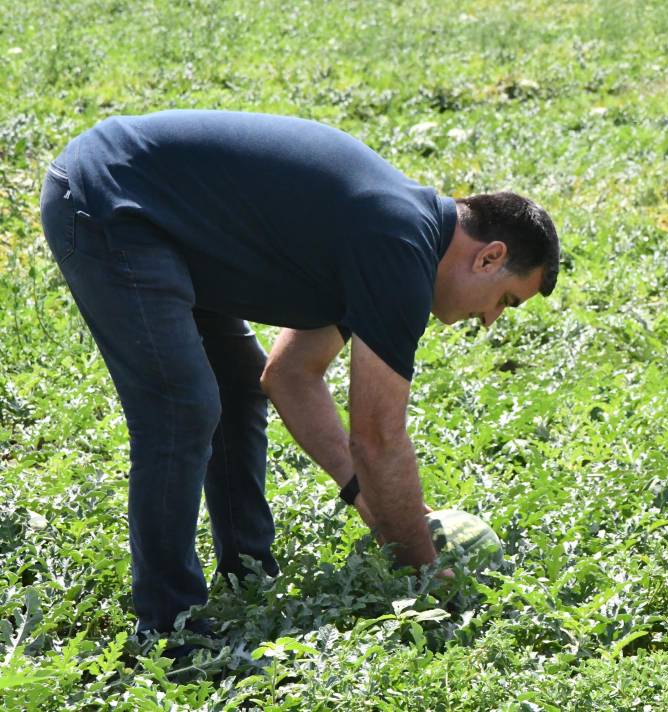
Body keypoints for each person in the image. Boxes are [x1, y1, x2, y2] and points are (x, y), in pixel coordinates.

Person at [38, 109, 559, 645]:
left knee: (236, 386)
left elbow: (289, 376)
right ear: (489, 257)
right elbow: (378, 438)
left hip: (168, 223)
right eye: (506, 300)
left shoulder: (398, 239)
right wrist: (429, 573)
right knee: (183, 406)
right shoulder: (400, 246)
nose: (493, 319)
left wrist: (367, 500)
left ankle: (247, 570)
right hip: (110, 199)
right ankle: (169, 630)